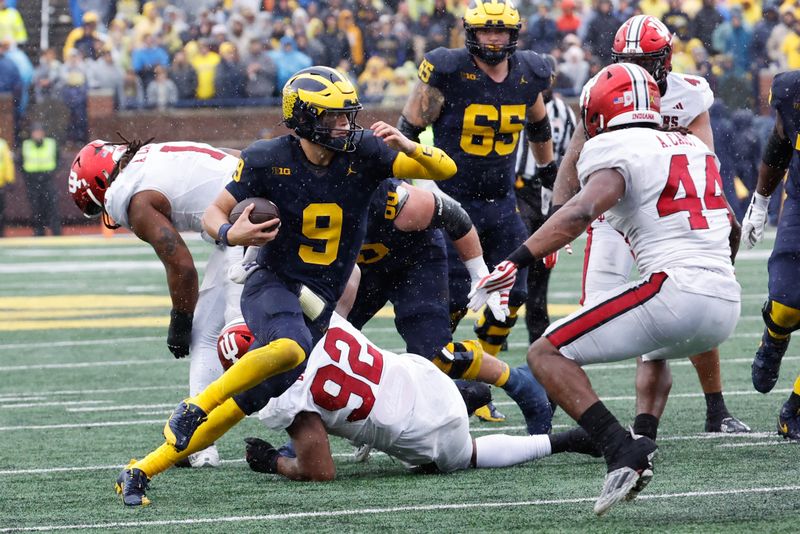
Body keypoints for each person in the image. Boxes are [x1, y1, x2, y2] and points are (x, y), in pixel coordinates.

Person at [115, 65, 457, 506]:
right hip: (273, 282)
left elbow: (444, 170)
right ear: (304, 119)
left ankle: (140, 470)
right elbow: (215, 213)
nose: (344, 125)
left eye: (346, 115)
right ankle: (194, 406)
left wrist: (409, 146)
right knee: (291, 347)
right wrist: (228, 236)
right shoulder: (266, 158)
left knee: (244, 403)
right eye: (333, 116)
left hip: (321, 298)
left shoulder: (367, 151)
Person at [470, 63, 741, 515]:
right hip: (724, 304)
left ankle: (619, 447)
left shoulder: (618, 145)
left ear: (602, 111)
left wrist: (515, 260)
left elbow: (581, 212)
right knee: (654, 344)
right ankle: (643, 436)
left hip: (676, 290)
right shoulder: (694, 145)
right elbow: (729, 227)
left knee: (544, 353)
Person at [549, 14, 749, 436]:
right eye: (628, 60)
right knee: (593, 315)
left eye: (646, 60)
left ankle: (711, 410)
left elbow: (705, 162)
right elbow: (577, 147)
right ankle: (558, 411)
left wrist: (716, 214)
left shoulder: (688, 94)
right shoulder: (602, 89)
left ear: (667, 59)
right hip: (613, 213)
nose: (637, 70)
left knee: (691, 287)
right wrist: (558, 210)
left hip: (667, 213)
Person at [241, 313, 597, 481]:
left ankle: (564, 441)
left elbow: (321, 471)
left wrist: (273, 462)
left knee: (468, 455)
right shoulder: (320, 317)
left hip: (420, 434)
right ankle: (466, 394)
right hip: (426, 380)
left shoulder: (286, 395)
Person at [68, 137, 245, 467]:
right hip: (261, 207)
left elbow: (182, 267)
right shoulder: (155, 155)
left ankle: (201, 445)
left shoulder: (132, 196)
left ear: (99, 187)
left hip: (247, 224)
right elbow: (236, 156)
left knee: (226, 337)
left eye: (96, 206)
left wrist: (179, 320)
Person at [397, 0, 557, 361]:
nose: (494, 39)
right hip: (450, 201)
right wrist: (401, 178)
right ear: (471, 33)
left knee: (513, 294)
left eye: (501, 30)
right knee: (452, 299)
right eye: (487, 29)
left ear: (514, 34)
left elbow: (538, 125)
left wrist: (548, 174)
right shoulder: (448, 70)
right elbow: (409, 127)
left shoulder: (528, 72)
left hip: (502, 202)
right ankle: (443, 376)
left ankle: (483, 373)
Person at [350, 178, 552, 434]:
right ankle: (315, 425)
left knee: (437, 357)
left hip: (413, 260)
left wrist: (479, 273)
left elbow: (454, 217)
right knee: (319, 343)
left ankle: (520, 383)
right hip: (355, 267)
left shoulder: (390, 198)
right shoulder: (296, 190)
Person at [741, 69, 800, 441]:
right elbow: (780, 144)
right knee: (787, 305)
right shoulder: (794, 92)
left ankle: (795, 408)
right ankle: (775, 336)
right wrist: (761, 202)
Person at [514, 54, 576, 343]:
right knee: (515, 253)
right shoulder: (515, 102)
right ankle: (498, 321)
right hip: (517, 188)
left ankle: (537, 330)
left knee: (542, 260)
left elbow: (573, 155)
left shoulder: (565, 113)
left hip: (548, 191)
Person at [20, 123, 60, 236]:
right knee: (36, 208)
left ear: (43, 133)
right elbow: (20, 162)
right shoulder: (26, 145)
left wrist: (52, 172)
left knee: (52, 207)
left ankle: (56, 232)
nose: (37, 134)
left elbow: (58, 159)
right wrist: (27, 176)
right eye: (35, 132)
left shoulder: (51, 143)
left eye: (39, 132)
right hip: (32, 181)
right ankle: (39, 232)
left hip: (48, 180)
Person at [0, 134, 13, 236]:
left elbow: (8, 163)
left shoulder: (2, 145)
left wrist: (9, 180)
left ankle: (1, 233)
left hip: (1, 183)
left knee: (1, 211)